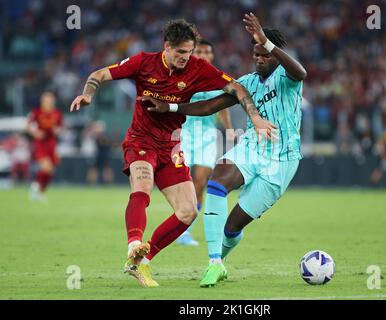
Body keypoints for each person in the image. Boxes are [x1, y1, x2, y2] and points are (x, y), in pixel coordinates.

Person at [69, 19, 276, 287]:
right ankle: (134, 243)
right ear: (166, 47)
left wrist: (255, 117)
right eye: (180, 52)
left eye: (189, 52)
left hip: (171, 146)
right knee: (142, 186)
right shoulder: (143, 62)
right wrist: (88, 95)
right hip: (140, 140)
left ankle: (141, 262)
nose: (185, 57)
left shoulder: (198, 68)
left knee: (188, 211)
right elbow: (98, 75)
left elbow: (237, 89)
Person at [143, 13, 307, 287]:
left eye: (264, 54)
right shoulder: (248, 82)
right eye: (255, 54)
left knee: (232, 228)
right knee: (217, 183)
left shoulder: (288, 77)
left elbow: (302, 72)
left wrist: (267, 42)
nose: (259, 59)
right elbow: (210, 106)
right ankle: (214, 261)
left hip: (283, 161)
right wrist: (171, 107)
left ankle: (222, 261)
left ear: (275, 54)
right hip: (252, 148)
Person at [177, 39, 235, 246]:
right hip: (183, 133)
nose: (202, 54)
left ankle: (185, 230)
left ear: (212, 55)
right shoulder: (182, 74)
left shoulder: (217, 78)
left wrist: (229, 129)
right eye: (198, 51)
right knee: (182, 182)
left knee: (200, 182)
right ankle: (179, 222)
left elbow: (224, 106)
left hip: (207, 136)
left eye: (206, 51)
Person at [26, 91, 63, 201]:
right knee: (46, 167)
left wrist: (58, 131)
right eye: (46, 100)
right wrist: (35, 132)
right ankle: (35, 187)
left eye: (51, 100)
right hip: (40, 143)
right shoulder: (37, 112)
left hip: (51, 143)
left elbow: (60, 127)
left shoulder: (57, 113)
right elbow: (28, 126)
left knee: (51, 171)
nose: (49, 102)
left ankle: (40, 193)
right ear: (42, 101)